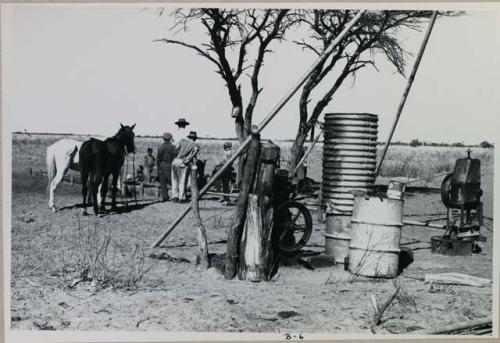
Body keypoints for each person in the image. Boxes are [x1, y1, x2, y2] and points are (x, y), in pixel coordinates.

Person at [172, 131, 200, 203]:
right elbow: (193, 154)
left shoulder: (182, 141)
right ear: (195, 138)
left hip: (175, 161)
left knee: (175, 180)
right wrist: (188, 159)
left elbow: (175, 149)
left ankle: (175, 197)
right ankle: (182, 198)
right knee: (183, 181)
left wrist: (176, 157)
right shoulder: (195, 145)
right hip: (183, 162)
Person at [157, 132, 176, 201]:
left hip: (162, 165)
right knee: (173, 181)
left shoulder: (161, 147)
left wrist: (158, 167)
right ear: (170, 138)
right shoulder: (173, 147)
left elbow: (158, 159)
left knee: (163, 182)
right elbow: (175, 156)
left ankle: (165, 196)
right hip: (170, 165)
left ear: (163, 138)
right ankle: (175, 195)